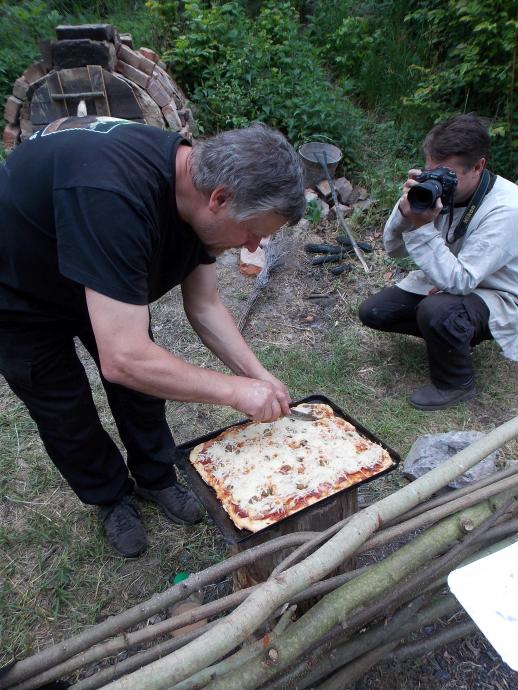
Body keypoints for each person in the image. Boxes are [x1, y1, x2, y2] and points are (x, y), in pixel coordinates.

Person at [0, 116, 305, 556]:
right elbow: (123, 357)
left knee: (142, 390)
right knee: (64, 406)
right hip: (20, 285)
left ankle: (156, 476)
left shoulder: (197, 190)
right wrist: (235, 392)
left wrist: (257, 374)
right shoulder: (116, 197)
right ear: (220, 198)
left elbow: (205, 305)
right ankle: (110, 497)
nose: (254, 247)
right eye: (254, 232)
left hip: (100, 266)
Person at [358, 113, 518, 411]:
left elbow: (461, 281)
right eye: (432, 171)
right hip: (453, 276)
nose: (439, 181)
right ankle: (449, 333)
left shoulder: (508, 208)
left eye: (448, 175)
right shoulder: (438, 189)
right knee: (375, 312)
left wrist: (421, 228)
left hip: (501, 294)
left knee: (438, 310)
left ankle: (455, 383)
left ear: (479, 166)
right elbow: (393, 249)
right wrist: (408, 211)